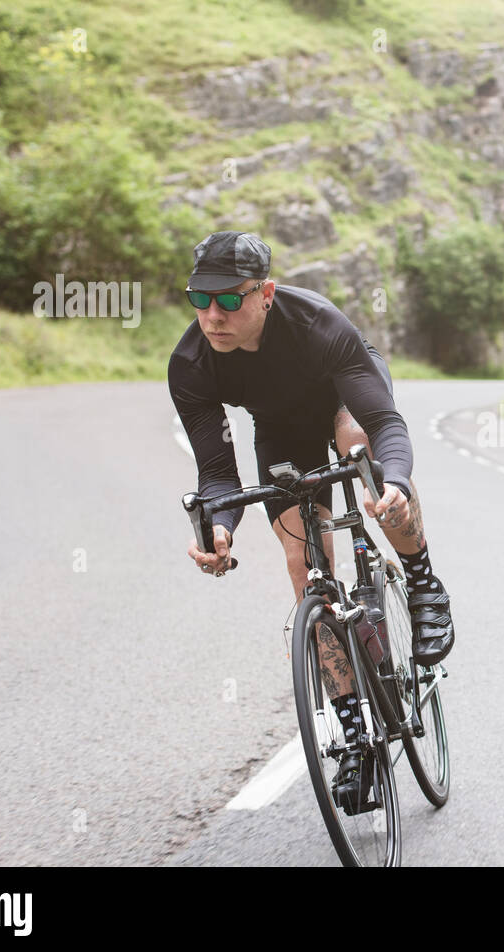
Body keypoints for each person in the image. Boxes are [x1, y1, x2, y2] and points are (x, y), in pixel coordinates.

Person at [168, 231, 455, 800]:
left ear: (265, 293)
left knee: (357, 443)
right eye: (200, 299)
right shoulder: (191, 364)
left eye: (229, 300)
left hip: (346, 395)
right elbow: (219, 476)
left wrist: (393, 481)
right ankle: (352, 733)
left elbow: (385, 426)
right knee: (305, 565)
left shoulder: (316, 323)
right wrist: (219, 528)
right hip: (282, 428)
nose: (213, 314)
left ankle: (422, 582)